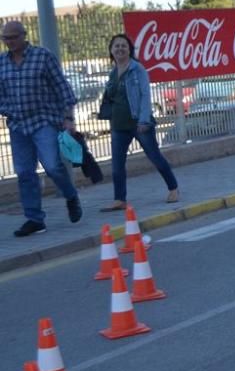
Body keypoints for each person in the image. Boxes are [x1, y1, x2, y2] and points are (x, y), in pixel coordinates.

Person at [0, 20, 83, 237]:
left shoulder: (42, 56)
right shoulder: (2, 63)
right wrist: (7, 109)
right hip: (18, 124)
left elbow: (61, 86)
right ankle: (34, 219)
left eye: (12, 37)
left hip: (43, 120)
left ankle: (70, 195)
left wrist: (68, 117)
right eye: (5, 38)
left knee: (52, 166)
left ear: (23, 36)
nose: (8, 42)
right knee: (24, 172)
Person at [99, 34, 179, 211]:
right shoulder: (113, 73)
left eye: (123, 46)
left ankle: (173, 188)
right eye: (116, 46)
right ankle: (119, 199)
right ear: (111, 51)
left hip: (138, 123)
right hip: (119, 125)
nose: (120, 49)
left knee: (155, 157)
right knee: (117, 164)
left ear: (129, 50)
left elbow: (145, 96)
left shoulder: (138, 69)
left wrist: (143, 120)